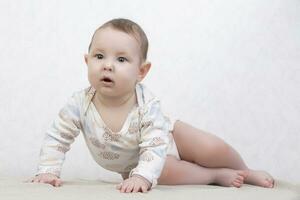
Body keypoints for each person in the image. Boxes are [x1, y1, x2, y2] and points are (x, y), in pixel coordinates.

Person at [30, 18, 274, 193]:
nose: (107, 65)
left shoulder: (147, 104)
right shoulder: (79, 104)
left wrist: (143, 175)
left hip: (167, 138)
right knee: (165, 173)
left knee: (210, 147)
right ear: (87, 61)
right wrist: (48, 170)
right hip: (138, 164)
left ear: (141, 71)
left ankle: (245, 170)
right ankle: (215, 176)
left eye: (121, 59)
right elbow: (57, 137)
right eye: (99, 56)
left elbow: (156, 143)